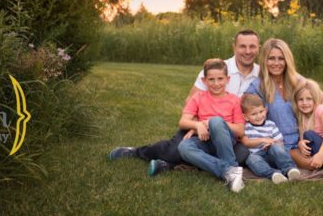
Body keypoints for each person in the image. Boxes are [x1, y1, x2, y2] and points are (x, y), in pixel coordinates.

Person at [108, 29, 260, 176]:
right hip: (198, 127)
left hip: (228, 135)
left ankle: (170, 165)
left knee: (241, 156)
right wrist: (198, 125)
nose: (247, 51)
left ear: (258, 48)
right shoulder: (216, 69)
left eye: (252, 46)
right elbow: (191, 101)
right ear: (234, 47)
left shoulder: (260, 74)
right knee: (176, 150)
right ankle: (136, 152)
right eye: (242, 46)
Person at [245, 38, 323, 169]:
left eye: (281, 58)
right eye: (271, 58)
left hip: (306, 136)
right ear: (264, 60)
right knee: (312, 164)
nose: (276, 63)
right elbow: (247, 114)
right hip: (280, 142)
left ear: (287, 60)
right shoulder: (257, 87)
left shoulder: (296, 80)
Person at [176, 58, 246, 193]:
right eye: (211, 79)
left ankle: (230, 167)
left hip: (225, 141)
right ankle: (229, 171)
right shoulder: (198, 97)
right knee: (184, 146)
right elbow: (182, 122)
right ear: (204, 81)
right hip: (205, 140)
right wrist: (197, 125)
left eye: (220, 79)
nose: (216, 83)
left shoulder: (234, 101)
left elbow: (240, 130)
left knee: (216, 121)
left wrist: (210, 122)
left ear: (227, 79)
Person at [239, 94, 300, 184]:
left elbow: (280, 142)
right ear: (246, 117)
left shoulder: (270, 125)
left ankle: (289, 169)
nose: (259, 116)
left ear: (265, 110)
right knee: (251, 159)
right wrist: (263, 140)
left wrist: (272, 144)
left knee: (277, 148)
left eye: (261, 112)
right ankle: (273, 174)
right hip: (257, 156)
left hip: (273, 156)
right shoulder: (245, 127)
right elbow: (246, 143)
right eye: (254, 114)